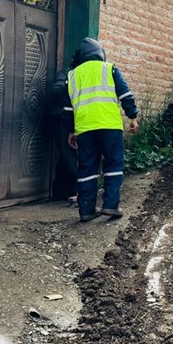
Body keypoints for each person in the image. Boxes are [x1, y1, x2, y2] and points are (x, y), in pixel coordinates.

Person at [64, 38, 139, 222]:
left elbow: (68, 108)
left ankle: (86, 210)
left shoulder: (72, 76)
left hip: (85, 129)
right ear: (100, 53)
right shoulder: (109, 68)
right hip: (109, 126)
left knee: (87, 168)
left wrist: (71, 131)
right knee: (113, 165)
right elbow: (125, 94)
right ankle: (110, 206)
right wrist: (133, 116)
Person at [48, 68, 78, 205]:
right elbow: (56, 89)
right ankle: (75, 190)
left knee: (68, 156)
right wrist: (69, 84)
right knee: (69, 155)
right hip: (62, 119)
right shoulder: (67, 73)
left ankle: (60, 190)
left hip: (75, 120)